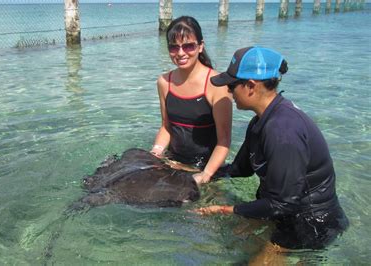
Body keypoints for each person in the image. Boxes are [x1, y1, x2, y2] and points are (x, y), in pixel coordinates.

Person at [192, 46, 349, 259]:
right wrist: (199, 174)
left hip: (311, 224)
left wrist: (226, 209)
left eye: (231, 86)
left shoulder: (283, 131)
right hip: (283, 212)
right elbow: (241, 169)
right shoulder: (260, 122)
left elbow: (283, 203)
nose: (228, 92)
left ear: (250, 86)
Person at [150, 16, 232, 184]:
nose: (180, 53)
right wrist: (155, 154)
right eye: (174, 47)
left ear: (200, 46)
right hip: (173, 162)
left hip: (206, 167)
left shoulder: (218, 84)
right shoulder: (164, 82)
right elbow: (166, 126)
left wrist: (206, 175)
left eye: (188, 46)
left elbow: (224, 140)